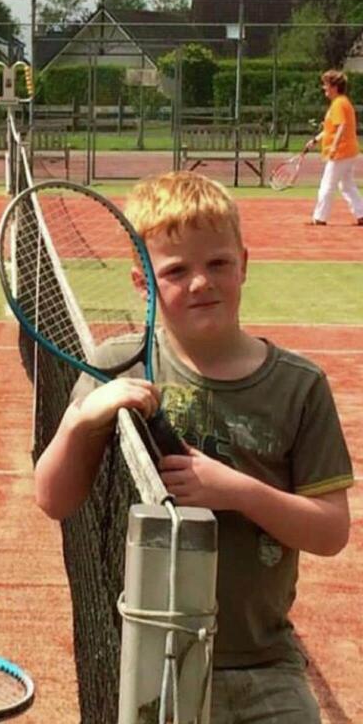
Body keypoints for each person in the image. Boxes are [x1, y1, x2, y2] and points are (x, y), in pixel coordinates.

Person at [33, 171, 353, 723]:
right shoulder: (117, 367)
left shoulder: (299, 386)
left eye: (218, 263)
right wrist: (82, 420)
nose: (201, 282)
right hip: (150, 660)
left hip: (264, 661)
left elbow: (330, 531)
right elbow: (53, 498)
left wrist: (237, 492)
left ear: (244, 264)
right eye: (176, 271)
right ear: (143, 283)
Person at [306, 69, 363, 226]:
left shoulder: (339, 104)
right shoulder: (341, 102)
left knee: (327, 184)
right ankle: (361, 214)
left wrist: (334, 147)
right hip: (348, 151)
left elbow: (342, 126)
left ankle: (320, 217)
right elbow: (330, 128)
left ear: (334, 87)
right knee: (347, 185)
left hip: (341, 152)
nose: (324, 87)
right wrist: (316, 140)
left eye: (326, 84)